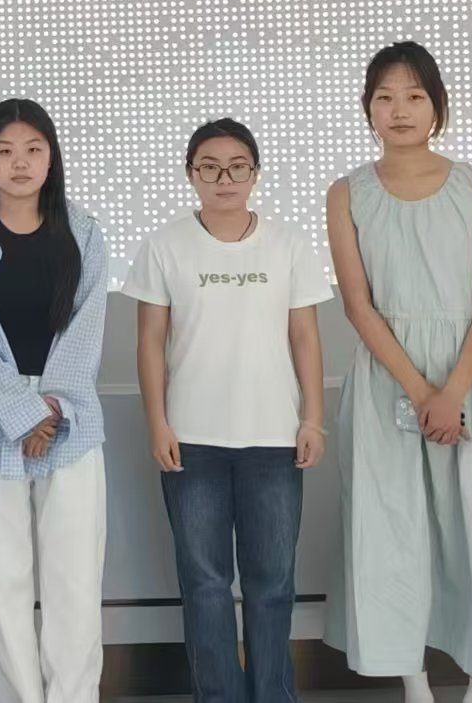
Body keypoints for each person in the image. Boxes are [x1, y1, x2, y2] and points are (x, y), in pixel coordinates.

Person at [325, 42, 472, 701]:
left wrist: (451, 392)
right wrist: (421, 391)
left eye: (414, 96)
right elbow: (358, 305)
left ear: (437, 106)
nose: (399, 109)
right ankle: (415, 685)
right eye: (385, 97)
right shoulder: (346, 193)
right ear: (368, 107)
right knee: (395, 528)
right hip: (388, 380)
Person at [126, 119, 332, 703]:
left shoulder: (288, 245)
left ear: (255, 174)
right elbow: (149, 342)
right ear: (191, 174)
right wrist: (157, 423)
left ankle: (274, 695)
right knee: (205, 585)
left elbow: (305, 338)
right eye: (210, 167)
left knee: (272, 584)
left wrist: (312, 418)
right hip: (192, 442)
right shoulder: (164, 246)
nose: (224, 178)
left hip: (274, 439)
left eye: (237, 165)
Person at [0, 98, 110, 703]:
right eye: (6, 151)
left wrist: (50, 410)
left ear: (51, 157)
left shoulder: (84, 232)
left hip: (70, 426)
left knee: (74, 585)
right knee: (3, 585)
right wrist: (22, 412)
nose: (20, 163)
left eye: (34, 149)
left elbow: (86, 332)